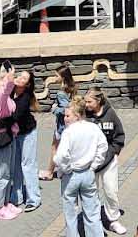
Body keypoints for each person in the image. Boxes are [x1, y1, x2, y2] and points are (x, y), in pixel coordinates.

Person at [52, 100, 106, 237]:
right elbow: (103, 147)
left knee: (70, 214)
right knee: (92, 212)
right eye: (65, 115)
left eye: (68, 116)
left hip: (71, 176)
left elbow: (61, 156)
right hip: (88, 173)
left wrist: (65, 169)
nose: (64, 119)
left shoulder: (69, 132)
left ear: (78, 116)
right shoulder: (93, 128)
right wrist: (94, 165)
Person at [85, 87, 128, 235]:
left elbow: (119, 135)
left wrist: (114, 151)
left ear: (98, 101)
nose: (87, 104)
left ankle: (113, 220)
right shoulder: (85, 116)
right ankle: (93, 220)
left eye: (90, 101)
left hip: (109, 161)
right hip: (91, 163)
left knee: (111, 191)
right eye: (85, 101)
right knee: (92, 192)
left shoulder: (110, 114)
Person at [0, 68, 22, 217]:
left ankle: (6, 203)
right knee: (3, 174)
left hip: (9, 136)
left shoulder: (7, 99)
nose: (8, 83)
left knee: (10, 173)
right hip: (1, 140)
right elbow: (6, 89)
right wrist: (10, 75)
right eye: (4, 80)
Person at [7, 69, 42, 212]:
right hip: (15, 133)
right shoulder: (10, 90)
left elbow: (14, 116)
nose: (20, 78)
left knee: (28, 164)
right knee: (15, 165)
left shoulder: (26, 97)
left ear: (27, 84)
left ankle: (34, 199)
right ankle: (16, 196)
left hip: (27, 132)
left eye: (24, 78)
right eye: (20, 75)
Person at [41, 65, 78, 182]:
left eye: (56, 75)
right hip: (70, 124)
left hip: (62, 125)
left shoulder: (61, 93)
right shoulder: (72, 88)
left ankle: (50, 172)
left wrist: (54, 109)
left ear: (62, 77)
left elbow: (65, 109)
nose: (54, 77)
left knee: (55, 147)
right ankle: (63, 170)